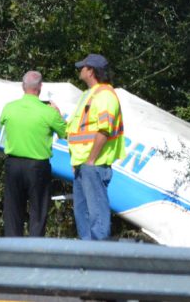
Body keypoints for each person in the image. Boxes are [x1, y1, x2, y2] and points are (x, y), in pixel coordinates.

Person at [0, 71, 67, 237]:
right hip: (37, 166)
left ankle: (12, 248)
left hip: (13, 164)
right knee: (38, 211)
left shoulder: (9, 108)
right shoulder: (48, 112)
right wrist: (57, 112)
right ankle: (34, 250)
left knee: (13, 210)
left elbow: (2, 127)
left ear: (23, 87)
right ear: (40, 88)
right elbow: (66, 133)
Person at [67, 53, 126, 240]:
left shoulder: (105, 95)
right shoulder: (89, 94)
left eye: (82, 67)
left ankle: (98, 258)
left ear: (90, 71)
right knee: (83, 215)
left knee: (97, 217)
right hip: (83, 165)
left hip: (94, 164)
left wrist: (91, 160)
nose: (80, 70)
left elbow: (104, 130)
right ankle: (87, 259)